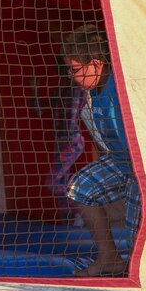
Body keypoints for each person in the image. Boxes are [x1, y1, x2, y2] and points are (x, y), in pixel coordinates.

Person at [61, 25, 140, 277]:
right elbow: (102, 141)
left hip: (144, 165)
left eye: (75, 70)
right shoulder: (91, 93)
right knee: (80, 187)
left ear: (96, 64)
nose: (72, 76)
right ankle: (109, 258)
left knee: (135, 233)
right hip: (121, 161)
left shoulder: (122, 86)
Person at [43, 55, 88, 224]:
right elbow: (39, 110)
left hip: (72, 140)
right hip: (60, 141)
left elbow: (81, 107)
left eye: (71, 70)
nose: (67, 74)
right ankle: (68, 217)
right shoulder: (59, 91)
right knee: (61, 180)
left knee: (53, 181)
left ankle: (77, 212)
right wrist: (34, 89)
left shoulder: (79, 89)